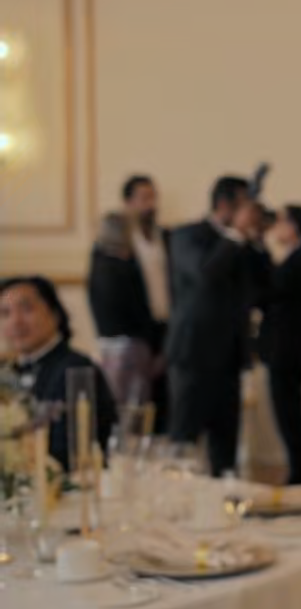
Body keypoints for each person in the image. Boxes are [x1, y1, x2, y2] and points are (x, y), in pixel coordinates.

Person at [165, 176, 268, 478]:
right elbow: (205, 274)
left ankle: (226, 501)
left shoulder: (242, 243)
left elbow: (265, 287)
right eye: (244, 205)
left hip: (229, 359)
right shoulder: (186, 236)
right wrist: (235, 234)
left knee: (225, 450)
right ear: (224, 205)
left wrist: (256, 239)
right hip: (193, 357)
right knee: (184, 443)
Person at [1, 276, 117, 470]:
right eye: (5, 313)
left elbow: (70, 453)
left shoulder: (77, 369)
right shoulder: (8, 373)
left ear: (54, 314)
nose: (15, 321)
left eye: (27, 309)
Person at [258, 205, 301, 485]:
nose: (276, 227)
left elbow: (270, 292)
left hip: (286, 350)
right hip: (288, 348)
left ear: (294, 226)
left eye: (282, 221)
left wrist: (259, 247)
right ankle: (300, 472)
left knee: (289, 414)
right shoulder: (298, 258)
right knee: (289, 413)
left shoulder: (299, 261)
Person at [87, 212, 157, 413]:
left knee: (117, 403)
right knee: (132, 408)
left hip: (107, 343)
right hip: (129, 345)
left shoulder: (98, 262)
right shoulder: (122, 268)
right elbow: (137, 309)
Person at [122, 175, 172, 434]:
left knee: (167, 395)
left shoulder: (166, 237)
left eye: (153, 197)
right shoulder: (122, 241)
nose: (150, 204)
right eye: (143, 198)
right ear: (128, 203)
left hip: (167, 325)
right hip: (136, 330)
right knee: (138, 398)